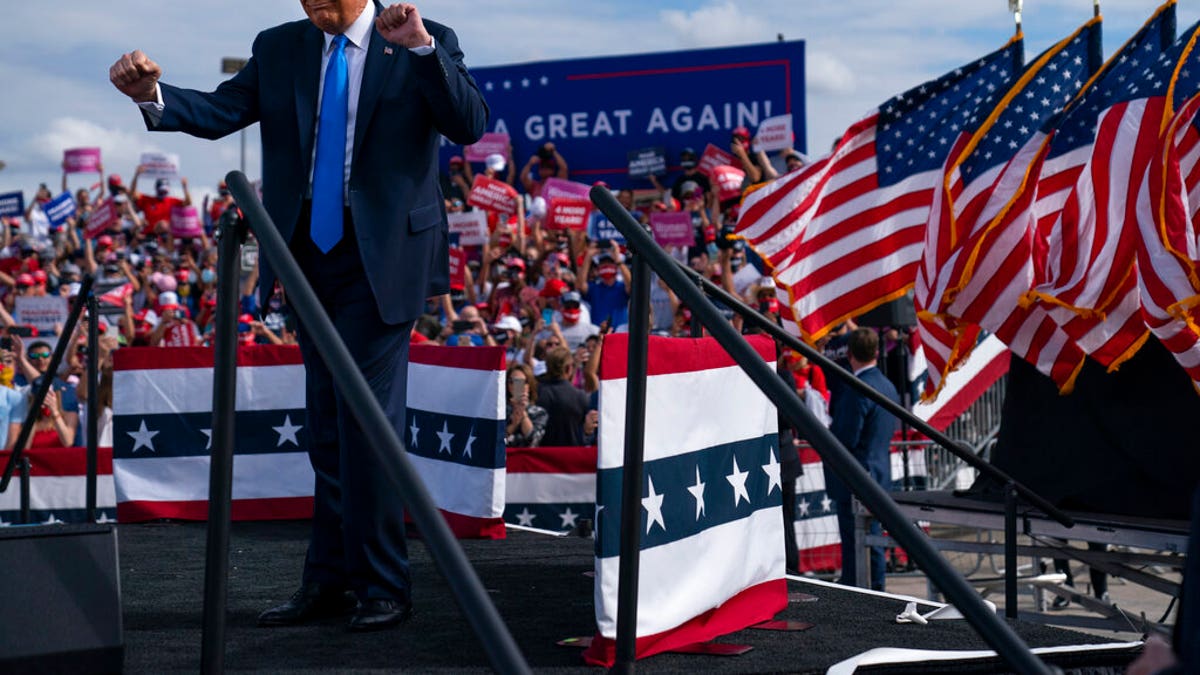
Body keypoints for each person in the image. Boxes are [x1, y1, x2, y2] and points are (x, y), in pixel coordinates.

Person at [110, 0, 487, 631]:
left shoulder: (425, 37)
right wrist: (153, 94)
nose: (312, 0)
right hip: (306, 255)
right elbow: (220, 112)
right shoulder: (280, 45)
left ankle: (381, 586)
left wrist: (423, 49)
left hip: (386, 258)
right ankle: (330, 582)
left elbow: (468, 124)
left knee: (365, 420)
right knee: (328, 424)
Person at [824, 328, 898, 591]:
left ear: (850, 354)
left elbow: (845, 437)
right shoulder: (888, 386)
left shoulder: (856, 390)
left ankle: (860, 590)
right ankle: (875, 588)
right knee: (873, 538)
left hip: (854, 478)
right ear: (877, 352)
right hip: (878, 472)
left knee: (856, 541)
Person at [536, 346, 589, 447]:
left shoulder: (538, 392)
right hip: (571, 455)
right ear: (569, 368)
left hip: (542, 455)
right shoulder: (580, 396)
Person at [505, 363, 546, 447]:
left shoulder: (539, 413)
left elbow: (533, 441)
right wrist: (513, 425)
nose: (516, 386)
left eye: (521, 382)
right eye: (511, 381)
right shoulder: (499, 411)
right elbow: (495, 441)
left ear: (529, 385)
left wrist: (522, 412)